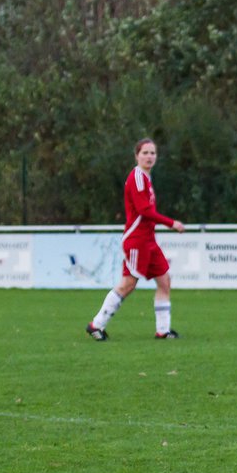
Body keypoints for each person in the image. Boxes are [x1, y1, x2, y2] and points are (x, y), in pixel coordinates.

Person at [86, 138, 185, 340]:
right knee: (128, 284)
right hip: (137, 241)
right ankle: (96, 325)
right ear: (137, 156)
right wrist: (171, 222)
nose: (149, 156)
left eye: (152, 153)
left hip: (149, 240)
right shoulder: (137, 177)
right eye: (145, 153)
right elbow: (144, 210)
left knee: (164, 281)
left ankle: (163, 331)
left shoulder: (146, 178)